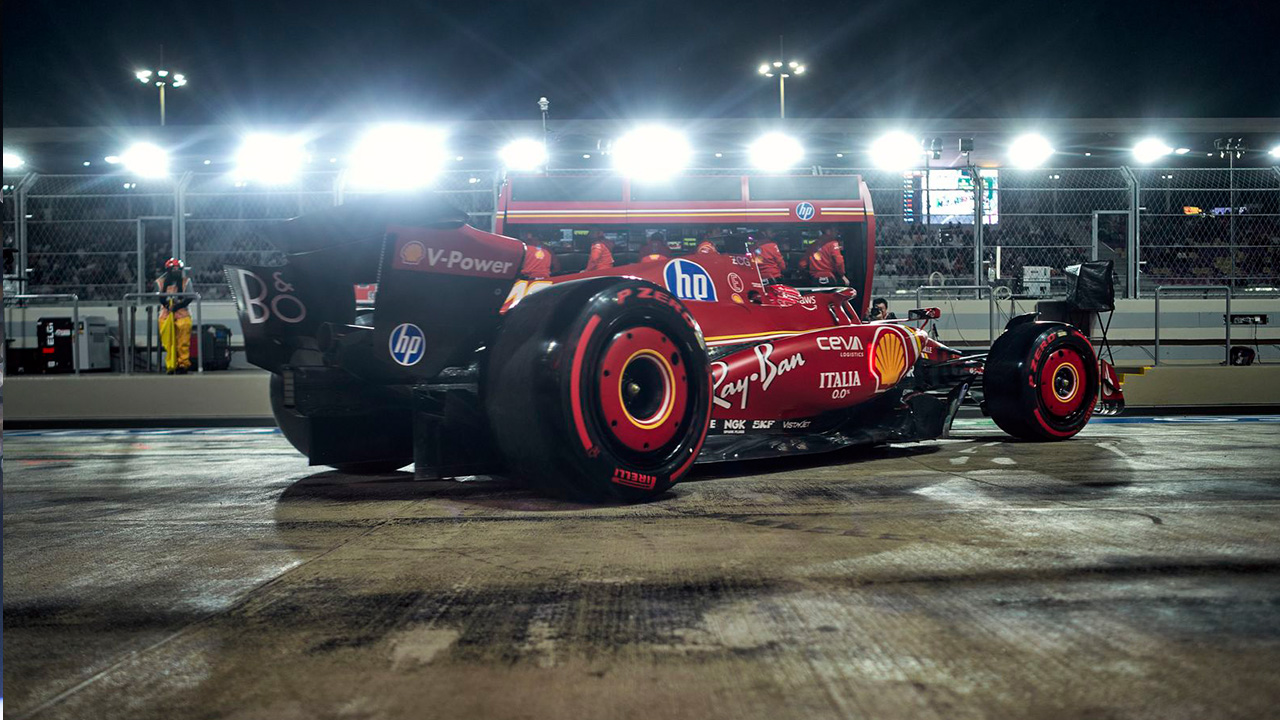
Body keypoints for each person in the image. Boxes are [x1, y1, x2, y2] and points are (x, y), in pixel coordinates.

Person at [155, 258, 194, 374]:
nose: (176, 271)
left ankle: (183, 364)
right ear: (168, 270)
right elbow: (160, 297)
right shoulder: (160, 282)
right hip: (165, 313)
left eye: (178, 269)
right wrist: (168, 305)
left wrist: (177, 306)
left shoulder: (186, 282)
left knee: (183, 340)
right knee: (168, 341)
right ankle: (171, 364)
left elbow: (189, 298)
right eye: (174, 269)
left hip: (182, 312)